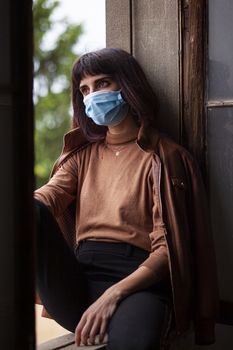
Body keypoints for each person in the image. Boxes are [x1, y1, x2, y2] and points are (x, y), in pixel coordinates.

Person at [34, 48, 218, 350]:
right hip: (77, 281)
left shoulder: (166, 157)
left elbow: (167, 249)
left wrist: (112, 295)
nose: (92, 95)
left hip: (140, 285)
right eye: (84, 89)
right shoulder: (81, 155)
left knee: (135, 343)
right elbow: (46, 199)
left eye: (102, 83)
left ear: (127, 85)